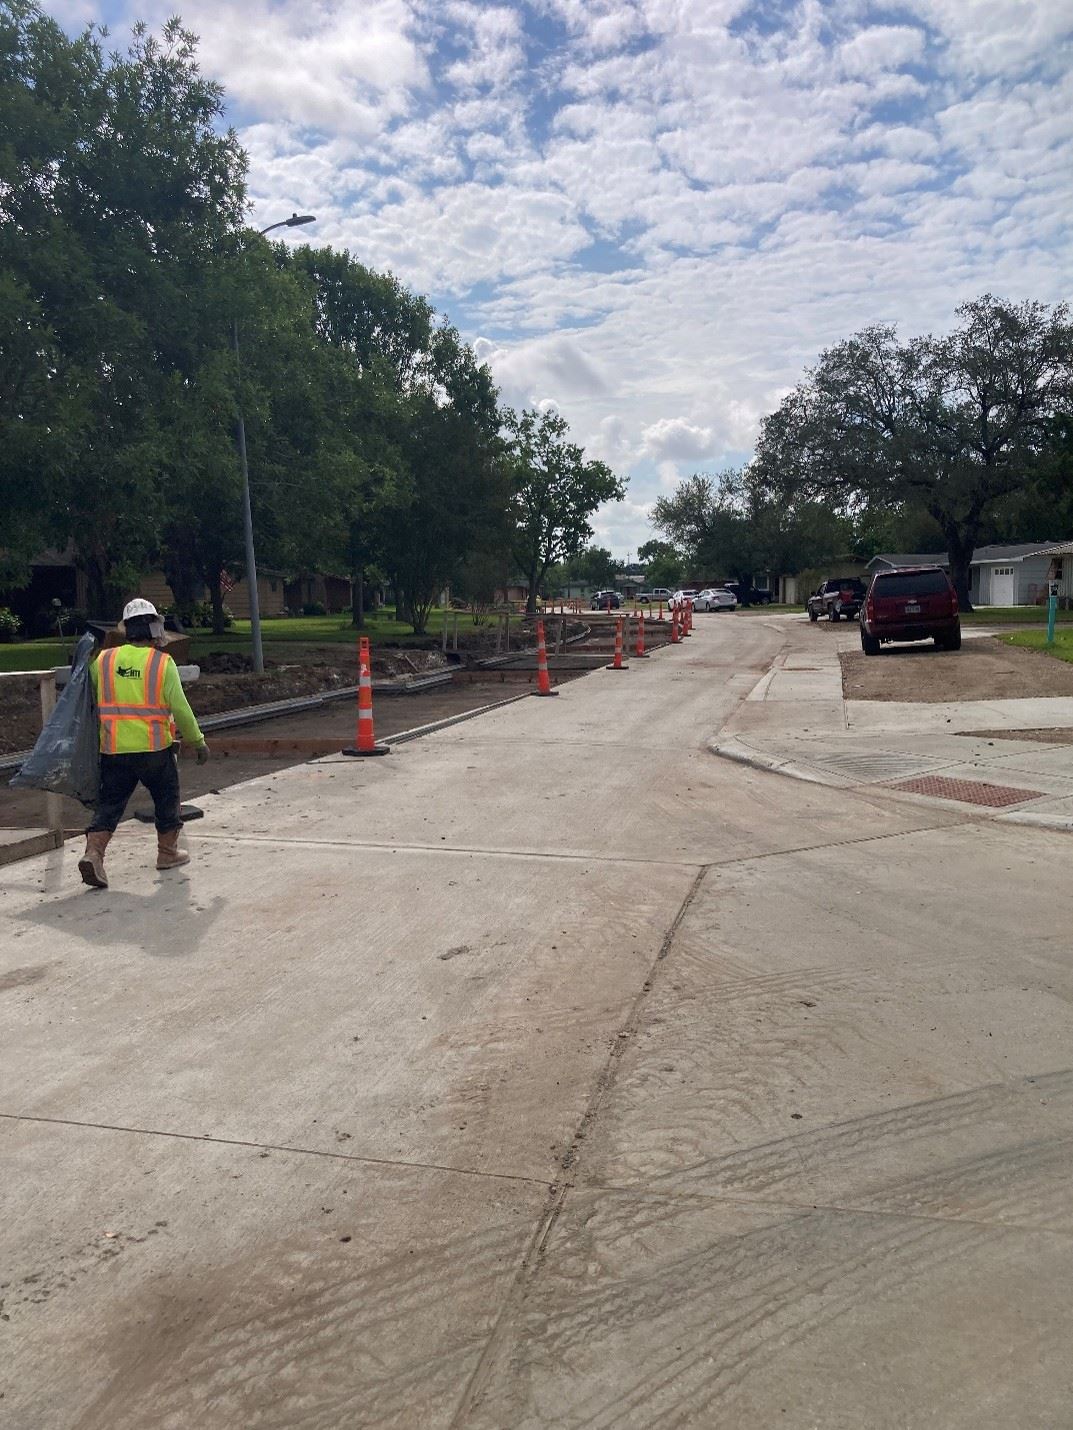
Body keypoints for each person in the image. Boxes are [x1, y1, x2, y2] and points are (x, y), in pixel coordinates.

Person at [78, 598, 210, 889]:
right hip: (154, 751)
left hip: (113, 750)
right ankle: (167, 853)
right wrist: (198, 741)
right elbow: (181, 709)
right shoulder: (162, 663)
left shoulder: (103, 661)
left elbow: (87, 700)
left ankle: (94, 853)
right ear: (154, 628)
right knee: (167, 798)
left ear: (126, 629)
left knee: (110, 804)